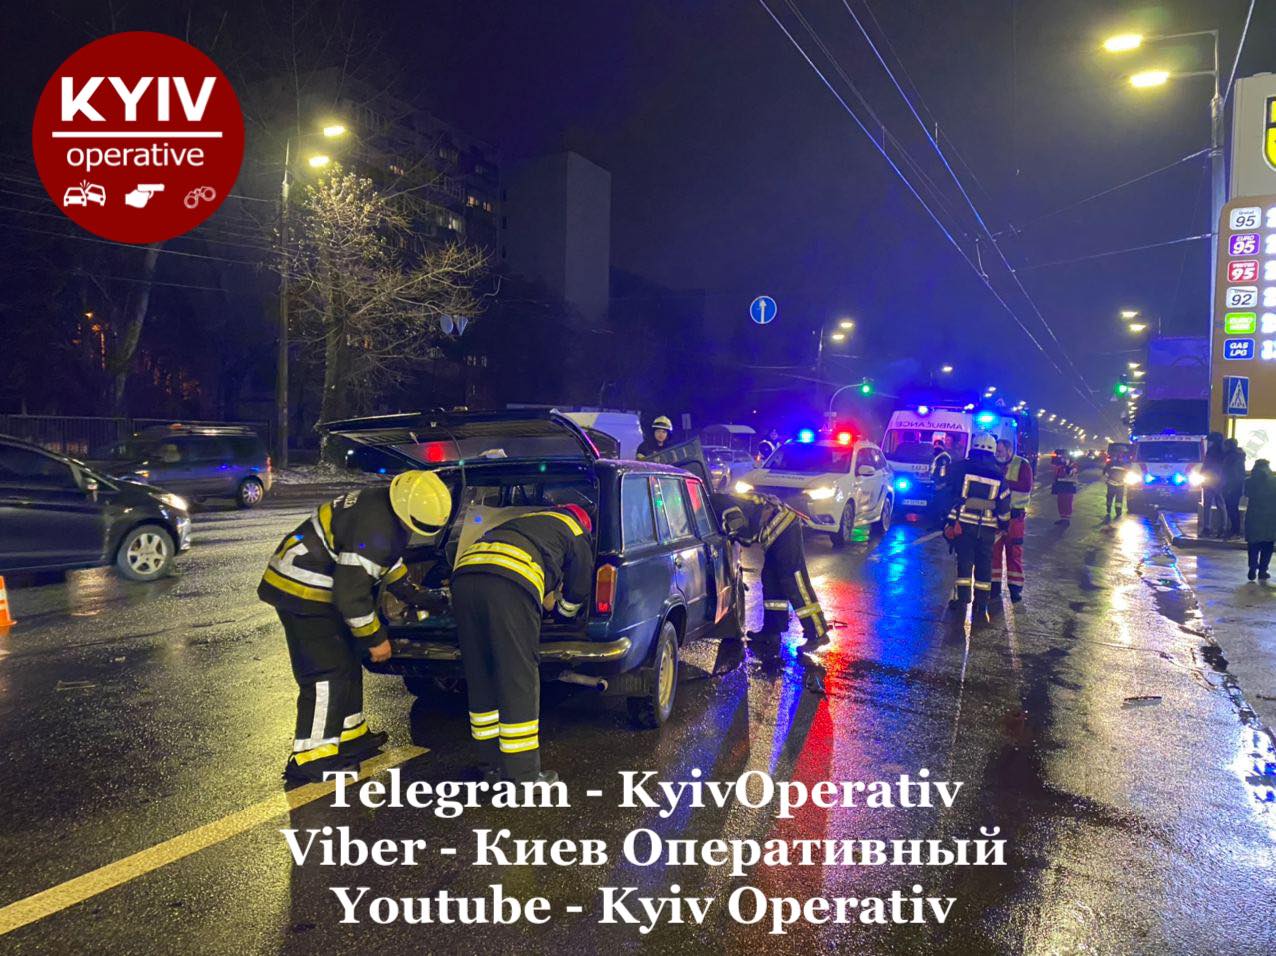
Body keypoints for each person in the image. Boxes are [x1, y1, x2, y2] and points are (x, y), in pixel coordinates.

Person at [258, 471, 452, 783]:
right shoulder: (376, 525)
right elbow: (351, 595)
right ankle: (311, 756)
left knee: (347, 660)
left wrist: (416, 595)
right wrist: (376, 639)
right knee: (326, 672)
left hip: (319, 585)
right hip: (301, 590)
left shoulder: (387, 506)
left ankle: (350, 733)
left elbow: (385, 561)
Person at [451, 504, 594, 784]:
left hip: (464, 576)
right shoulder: (577, 530)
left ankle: (491, 766)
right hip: (509, 582)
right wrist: (562, 614)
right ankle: (524, 778)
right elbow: (578, 586)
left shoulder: (526, 522)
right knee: (517, 676)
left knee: (480, 673)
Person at [712, 490, 829, 652]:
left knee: (794, 581)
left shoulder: (718, 505)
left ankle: (817, 632)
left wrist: (730, 536)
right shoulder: (717, 502)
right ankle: (772, 631)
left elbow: (747, 536)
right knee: (771, 579)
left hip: (784, 528)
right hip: (774, 531)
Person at [944, 432, 1011, 625]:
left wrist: (947, 522)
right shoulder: (998, 475)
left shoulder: (960, 468)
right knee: (984, 565)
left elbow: (948, 495)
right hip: (987, 529)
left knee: (964, 562)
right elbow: (1004, 504)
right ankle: (981, 605)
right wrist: (1003, 525)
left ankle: (962, 599)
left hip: (963, 525)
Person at [991, 438, 1033, 604]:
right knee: (993, 553)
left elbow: (1026, 486)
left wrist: (1003, 482)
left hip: (1015, 517)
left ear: (1009, 451)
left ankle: (1015, 589)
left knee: (1014, 553)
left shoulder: (1022, 464)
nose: (997, 454)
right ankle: (993, 588)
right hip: (996, 516)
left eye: (1000, 451)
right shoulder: (994, 464)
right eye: (996, 451)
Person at [1244, 459, 1276, 580]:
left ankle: (1252, 567)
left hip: (1254, 516)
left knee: (1253, 544)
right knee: (1267, 545)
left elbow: (1246, 494)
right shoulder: (1274, 481)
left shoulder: (1249, 481)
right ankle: (1263, 571)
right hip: (1271, 517)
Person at [1201, 432, 1227, 536]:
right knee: (1217, 505)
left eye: (1211, 441)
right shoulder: (1221, 451)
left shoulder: (1218, 452)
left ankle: (1212, 527)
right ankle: (1219, 527)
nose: (1209, 443)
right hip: (1214, 481)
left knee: (1214, 505)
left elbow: (1207, 465)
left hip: (1214, 482)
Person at [1222, 437, 1247, 539]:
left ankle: (1235, 530)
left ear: (1229, 446)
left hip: (1232, 487)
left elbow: (1231, 473)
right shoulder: (1237, 456)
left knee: (1232, 508)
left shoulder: (1232, 457)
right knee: (1233, 508)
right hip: (1235, 487)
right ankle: (1235, 529)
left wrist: (1228, 487)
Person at [929, 434, 954, 526]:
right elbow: (935, 469)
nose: (936, 448)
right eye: (935, 446)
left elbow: (942, 473)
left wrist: (940, 484)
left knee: (939, 506)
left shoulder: (943, 457)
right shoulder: (939, 456)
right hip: (938, 484)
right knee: (936, 505)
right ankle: (935, 524)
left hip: (941, 486)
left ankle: (938, 525)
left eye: (938, 446)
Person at [1103, 450, 1130, 522]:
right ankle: (1118, 512)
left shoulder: (1110, 463)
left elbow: (1105, 473)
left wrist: (1108, 479)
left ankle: (1108, 509)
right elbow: (1128, 474)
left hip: (1111, 484)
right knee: (1119, 500)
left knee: (1109, 497)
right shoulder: (1125, 465)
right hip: (1120, 485)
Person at [1051, 449, 1077, 526]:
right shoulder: (1059, 463)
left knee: (1067, 503)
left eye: (1063, 455)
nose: (1061, 457)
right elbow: (1056, 472)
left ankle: (1066, 520)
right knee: (1061, 502)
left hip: (1069, 485)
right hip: (1061, 485)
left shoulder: (1072, 464)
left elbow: (1071, 472)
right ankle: (1063, 519)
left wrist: (1066, 466)